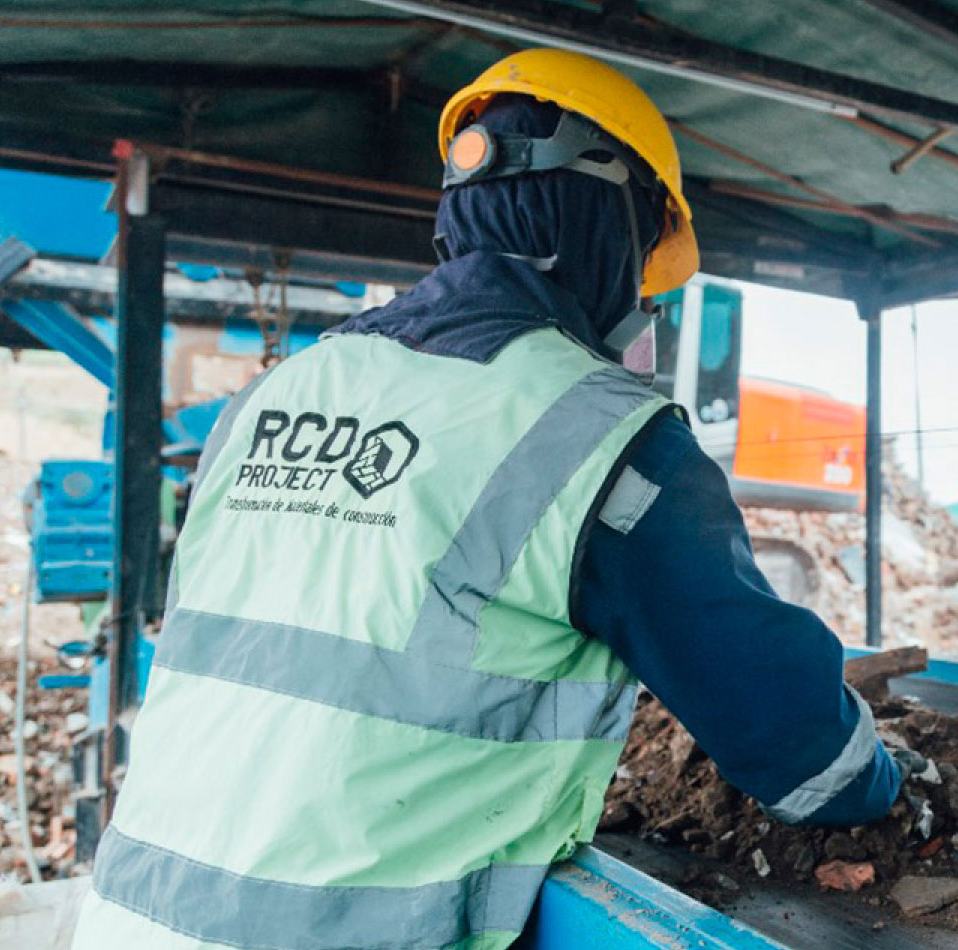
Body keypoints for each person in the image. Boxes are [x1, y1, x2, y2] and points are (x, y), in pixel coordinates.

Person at [73, 49, 900, 949]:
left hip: (129, 916)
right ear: (609, 228)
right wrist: (894, 783)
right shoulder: (606, 434)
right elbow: (801, 755)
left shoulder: (266, 397)